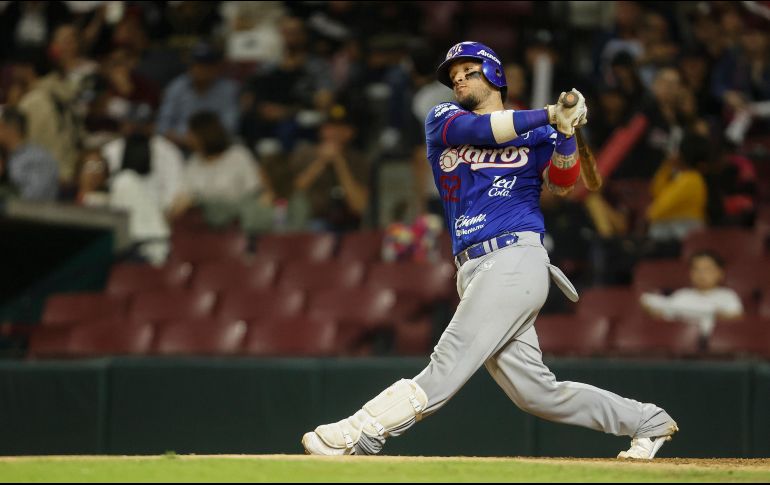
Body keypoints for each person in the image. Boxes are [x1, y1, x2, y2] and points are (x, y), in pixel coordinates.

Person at [302, 41, 678, 460]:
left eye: (469, 70)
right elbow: (482, 131)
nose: (459, 77)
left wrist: (566, 133)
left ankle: (360, 431)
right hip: (473, 266)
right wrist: (552, 115)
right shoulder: (443, 119)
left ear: (495, 74)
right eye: (454, 74)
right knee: (536, 393)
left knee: (450, 358)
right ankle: (647, 421)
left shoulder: (538, 132)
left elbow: (563, 181)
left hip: (515, 258)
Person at [169, 111, 274, 233]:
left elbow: (258, 192)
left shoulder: (238, 155)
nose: (187, 137)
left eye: (191, 133)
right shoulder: (193, 162)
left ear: (203, 135)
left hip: (238, 225)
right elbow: (184, 196)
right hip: (206, 228)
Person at [641, 251, 744, 339]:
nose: (701, 274)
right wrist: (650, 308)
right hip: (681, 340)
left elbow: (737, 318)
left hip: (715, 341)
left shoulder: (727, 296)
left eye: (707, 269)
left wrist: (714, 313)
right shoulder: (682, 295)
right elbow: (665, 316)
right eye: (696, 269)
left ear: (720, 273)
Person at [155, 42, 239, 149]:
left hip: (215, 148)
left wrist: (202, 141)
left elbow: (230, 127)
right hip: (178, 146)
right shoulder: (177, 87)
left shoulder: (229, 89)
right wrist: (184, 139)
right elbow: (162, 125)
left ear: (217, 67)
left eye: (206, 64)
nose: (200, 69)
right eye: (196, 64)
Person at [0, 107, 58, 201]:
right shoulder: (5, 156)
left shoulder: (38, 158)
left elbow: (33, 197)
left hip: (35, 214)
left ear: (8, 128)